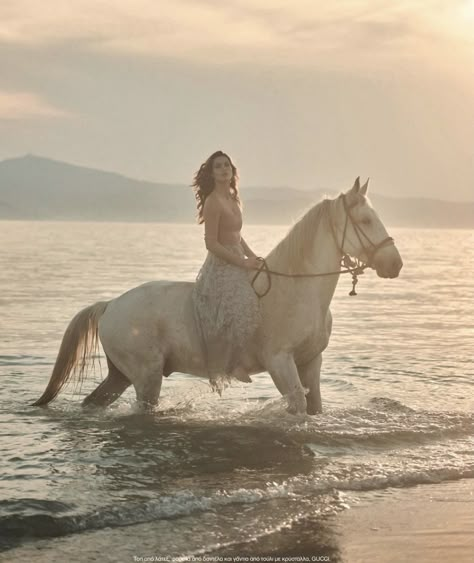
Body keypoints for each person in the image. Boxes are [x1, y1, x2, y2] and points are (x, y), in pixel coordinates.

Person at [191, 150, 262, 388]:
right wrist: (241, 262)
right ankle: (233, 363)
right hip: (221, 265)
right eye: (218, 166)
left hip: (239, 257)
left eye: (227, 166)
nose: (224, 169)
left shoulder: (233, 198)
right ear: (211, 173)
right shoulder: (213, 202)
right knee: (241, 302)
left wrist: (253, 256)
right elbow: (211, 243)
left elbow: (237, 236)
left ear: (232, 172)